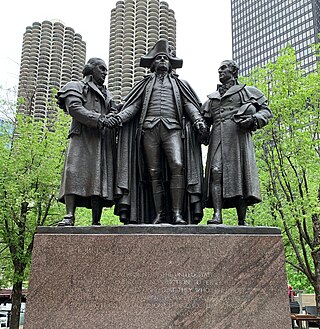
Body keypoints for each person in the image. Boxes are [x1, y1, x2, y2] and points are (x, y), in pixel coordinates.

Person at [106, 39, 207, 225]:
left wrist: (198, 121)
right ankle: (159, 214)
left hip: (173, 128)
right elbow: (134, 106)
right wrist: (119, 118)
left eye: (165, 58)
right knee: (153, 172)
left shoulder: (179, 84)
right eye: (158, 58)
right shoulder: (145, 84)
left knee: (177, 165)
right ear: (153, 64)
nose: (162, 61)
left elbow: (189, 106)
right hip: (149, 129)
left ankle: (177, 213)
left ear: (170, 64)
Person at [201, 60, 272, 225]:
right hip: (217, 138)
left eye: (224, 68)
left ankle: (242, 219)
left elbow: (266, 111)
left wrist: (253, 119)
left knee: (239, 174)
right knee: (215, 171)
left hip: (238, 138)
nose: (220, 70)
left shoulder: (248, 92)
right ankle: (217, 215)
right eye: (219, 68)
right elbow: (203, 120)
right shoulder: (212, 99)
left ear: (233, 71)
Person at [56, 57, 117, 226]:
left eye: (106, 70)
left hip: (101, 140)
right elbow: (75, 108)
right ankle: (69, 215)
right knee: (73, 172)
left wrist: (111, 117)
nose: (105, 73)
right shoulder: (75, 86)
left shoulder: (107, 94)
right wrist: (100, 119)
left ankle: (96, 220)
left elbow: (115, 110)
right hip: (81, 138)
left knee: (98, 178)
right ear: (91, 69)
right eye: (102, 68)